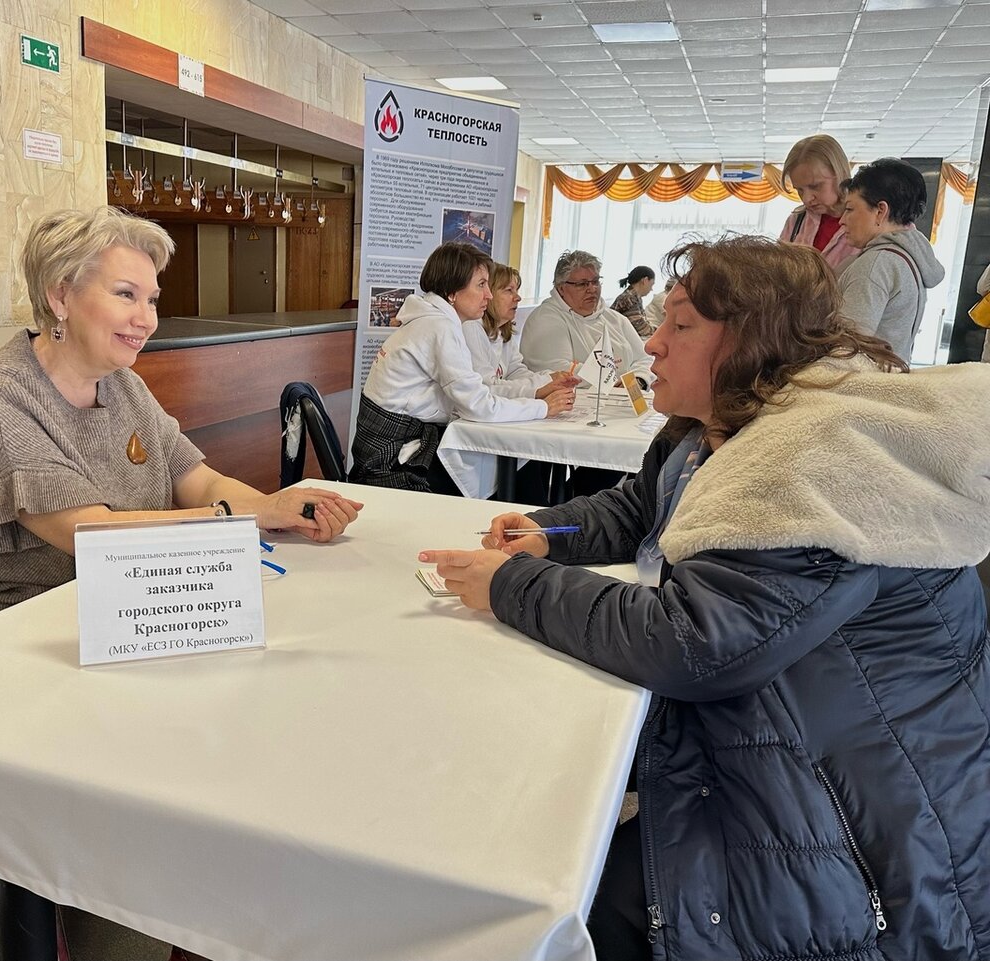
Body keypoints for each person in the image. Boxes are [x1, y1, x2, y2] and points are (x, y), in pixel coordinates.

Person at [421, 234, 990, 961]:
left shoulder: (820, 463)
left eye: (681, 325)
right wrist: (550, 530)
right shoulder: (712, 431)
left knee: (566, 892)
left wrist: (512, 586)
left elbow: (692, 643)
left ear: (753, 337)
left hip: (868, 825)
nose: (653, 343)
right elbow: (640, 508)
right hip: (785, 739)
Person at [0, 207, 361, 628]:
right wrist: (239, 518)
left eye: (151, 300)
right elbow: (94, 534)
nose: (147, 320)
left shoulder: (122, 383)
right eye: (125, 295)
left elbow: (200, 482)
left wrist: (278, 511)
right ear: (60, 295)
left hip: (112, 597)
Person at [350, 242, 575, 494]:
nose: (488, 295)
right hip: (390, 463)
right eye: (481, 285)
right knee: (515, 462)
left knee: (516, 463)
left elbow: (476, 395)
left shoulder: (432, 319)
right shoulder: (439, 327)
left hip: (392, 446)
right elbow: (480, 406)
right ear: (452, 292)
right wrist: (543, 408)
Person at [837, 157, 944, 361]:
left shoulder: (876, 265)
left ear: (880, 211)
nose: (842, 220)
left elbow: (847, 350)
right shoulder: (907, 256)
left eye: (849, 209)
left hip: (864, 387)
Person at [519, 250, 652, 386]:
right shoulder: (545, 320)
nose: (592, 289)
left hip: (623, 398)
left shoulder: (614, 318)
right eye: (582, 284)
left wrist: (638, 380)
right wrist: (615, 383)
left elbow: (644, 358)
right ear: (561, 288)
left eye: (595, 281)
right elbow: (558, 371)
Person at [462, 262, 580, 399]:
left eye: (516, 290)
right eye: (508, 290)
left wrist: (551, 377)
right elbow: (487, 386)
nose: (518, 297)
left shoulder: (503, 330)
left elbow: (515, 372)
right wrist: (545, 383)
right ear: (489, 294)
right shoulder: (471, 327)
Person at [779, 134, 862, 275]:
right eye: (799, 190)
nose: (806, 199)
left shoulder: (866, 222)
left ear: (839, 173)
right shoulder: (796, 220)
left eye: (815, 186)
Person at [611, 265, 656, 338]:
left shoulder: (634, 297)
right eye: (651, 284)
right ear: (645, 280)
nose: (651, 289)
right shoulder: (629, 298)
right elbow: (641, 328)